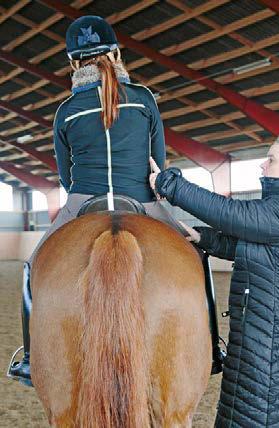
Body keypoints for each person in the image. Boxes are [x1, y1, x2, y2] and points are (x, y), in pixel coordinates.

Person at [8, 15, 167, 385]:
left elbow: (66, 177)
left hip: (83, 200)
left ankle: (31, 358)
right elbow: (159, 163)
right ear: (115, 53)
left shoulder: (66, 110)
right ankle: (212, 346)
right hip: (143, 197)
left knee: (33, 267)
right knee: (197, 256)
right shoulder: (143, 99)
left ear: (73, 63)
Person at [150, 133, 279, 427]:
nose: (262, 165)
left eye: (271, 159)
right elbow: (248, 247)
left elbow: (227, 213)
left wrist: (169, 185)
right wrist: (203, 237)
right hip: (272, 331)